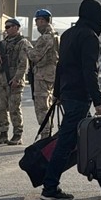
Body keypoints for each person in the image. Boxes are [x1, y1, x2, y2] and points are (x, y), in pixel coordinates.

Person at [40, 0, 101, 200]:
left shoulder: (68, 34)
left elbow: (60, 66)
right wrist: (98, 101)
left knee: (88, 139)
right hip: (80, 96)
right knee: (66, 143)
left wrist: (57, 93)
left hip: (68, 94)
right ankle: (50, 187)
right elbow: (89, 71)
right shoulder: (89, 37)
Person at [0, 18, 33, 145]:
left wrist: (17, 78)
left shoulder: (23, 43)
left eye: (9, 27)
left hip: (15, 80)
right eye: (6, 27)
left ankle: (17, 134)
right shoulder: (4, 43)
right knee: (1, 107)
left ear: (16, 27)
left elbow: (23, 63)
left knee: (14, 108)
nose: (6, 29)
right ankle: (3, 133)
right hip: (3, 80)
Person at [29, 9, 59, 139]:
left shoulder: (46, 37)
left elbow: (34, 56)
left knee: (41, 107)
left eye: (37, 21)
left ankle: (45, 136)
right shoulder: (56, 36)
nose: (36, 24)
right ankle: (47, 133)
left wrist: (27, 48)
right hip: (50, 75)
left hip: (42, 75)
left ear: (43, 20)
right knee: (47, 105)